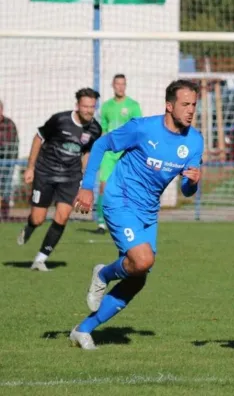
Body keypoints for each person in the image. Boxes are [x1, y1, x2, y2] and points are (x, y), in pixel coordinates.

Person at [69, 79, 203, 350]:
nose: (191, 110)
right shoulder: (143, 128)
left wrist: (194, 181)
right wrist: (86, 187)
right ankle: (103, 275)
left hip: (148, 211)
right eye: (185, 104)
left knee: (137, 278)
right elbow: (100, 145)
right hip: (120, 199)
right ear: (169, 105)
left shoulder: (194, 141)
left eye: (194, 105)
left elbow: (187, 191)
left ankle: (83, 330)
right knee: (142, 260)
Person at [17, 88, 101, 271]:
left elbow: (86, 152)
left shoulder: (95, 129)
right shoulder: (60, 120)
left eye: (92, 107)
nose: (88, 110)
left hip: (70, 177)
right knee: (38, 218)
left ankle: (40, 259)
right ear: (77, 106)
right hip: (46, 172)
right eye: (85, 106)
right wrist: (30, 167)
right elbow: (38, 138)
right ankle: (31, 226)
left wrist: (86, 181)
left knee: (62, 216)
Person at [96, 74, 142, 235]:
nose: (120, 87)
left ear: (126, 86)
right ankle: (101, 223)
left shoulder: (133, 106)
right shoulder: (106, 106)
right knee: (104, 187)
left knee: (127, 188)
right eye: (117, 84)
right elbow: (102, 130)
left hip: (126, 152)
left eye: (123, 84)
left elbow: (138, 130)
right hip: (109, 153)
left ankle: (127, 221)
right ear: (113, 85)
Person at [0, 100, 19, 221]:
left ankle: (5, 216)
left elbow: (13, 143)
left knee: (5, 190)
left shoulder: (9, 124)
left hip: (7, 163)